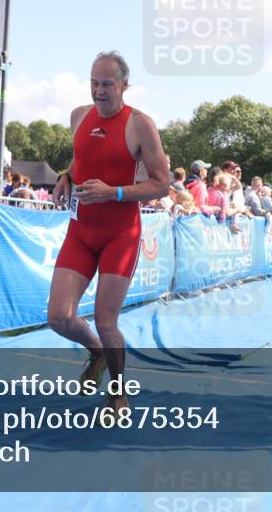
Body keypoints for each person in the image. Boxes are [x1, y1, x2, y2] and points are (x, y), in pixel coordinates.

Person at [48, 51, 168, 414]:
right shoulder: (78, 116)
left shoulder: (140, 124)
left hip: (120, 232)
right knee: (59, 318)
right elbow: (81, 159)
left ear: (124, 85)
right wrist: (64, 177)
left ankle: (118, 392)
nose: (99, 91)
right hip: (81, 230)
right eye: (94, 83)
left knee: (106, 320)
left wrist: (113, 192)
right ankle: (97, 351)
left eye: (107, 84)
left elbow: (162, 185)